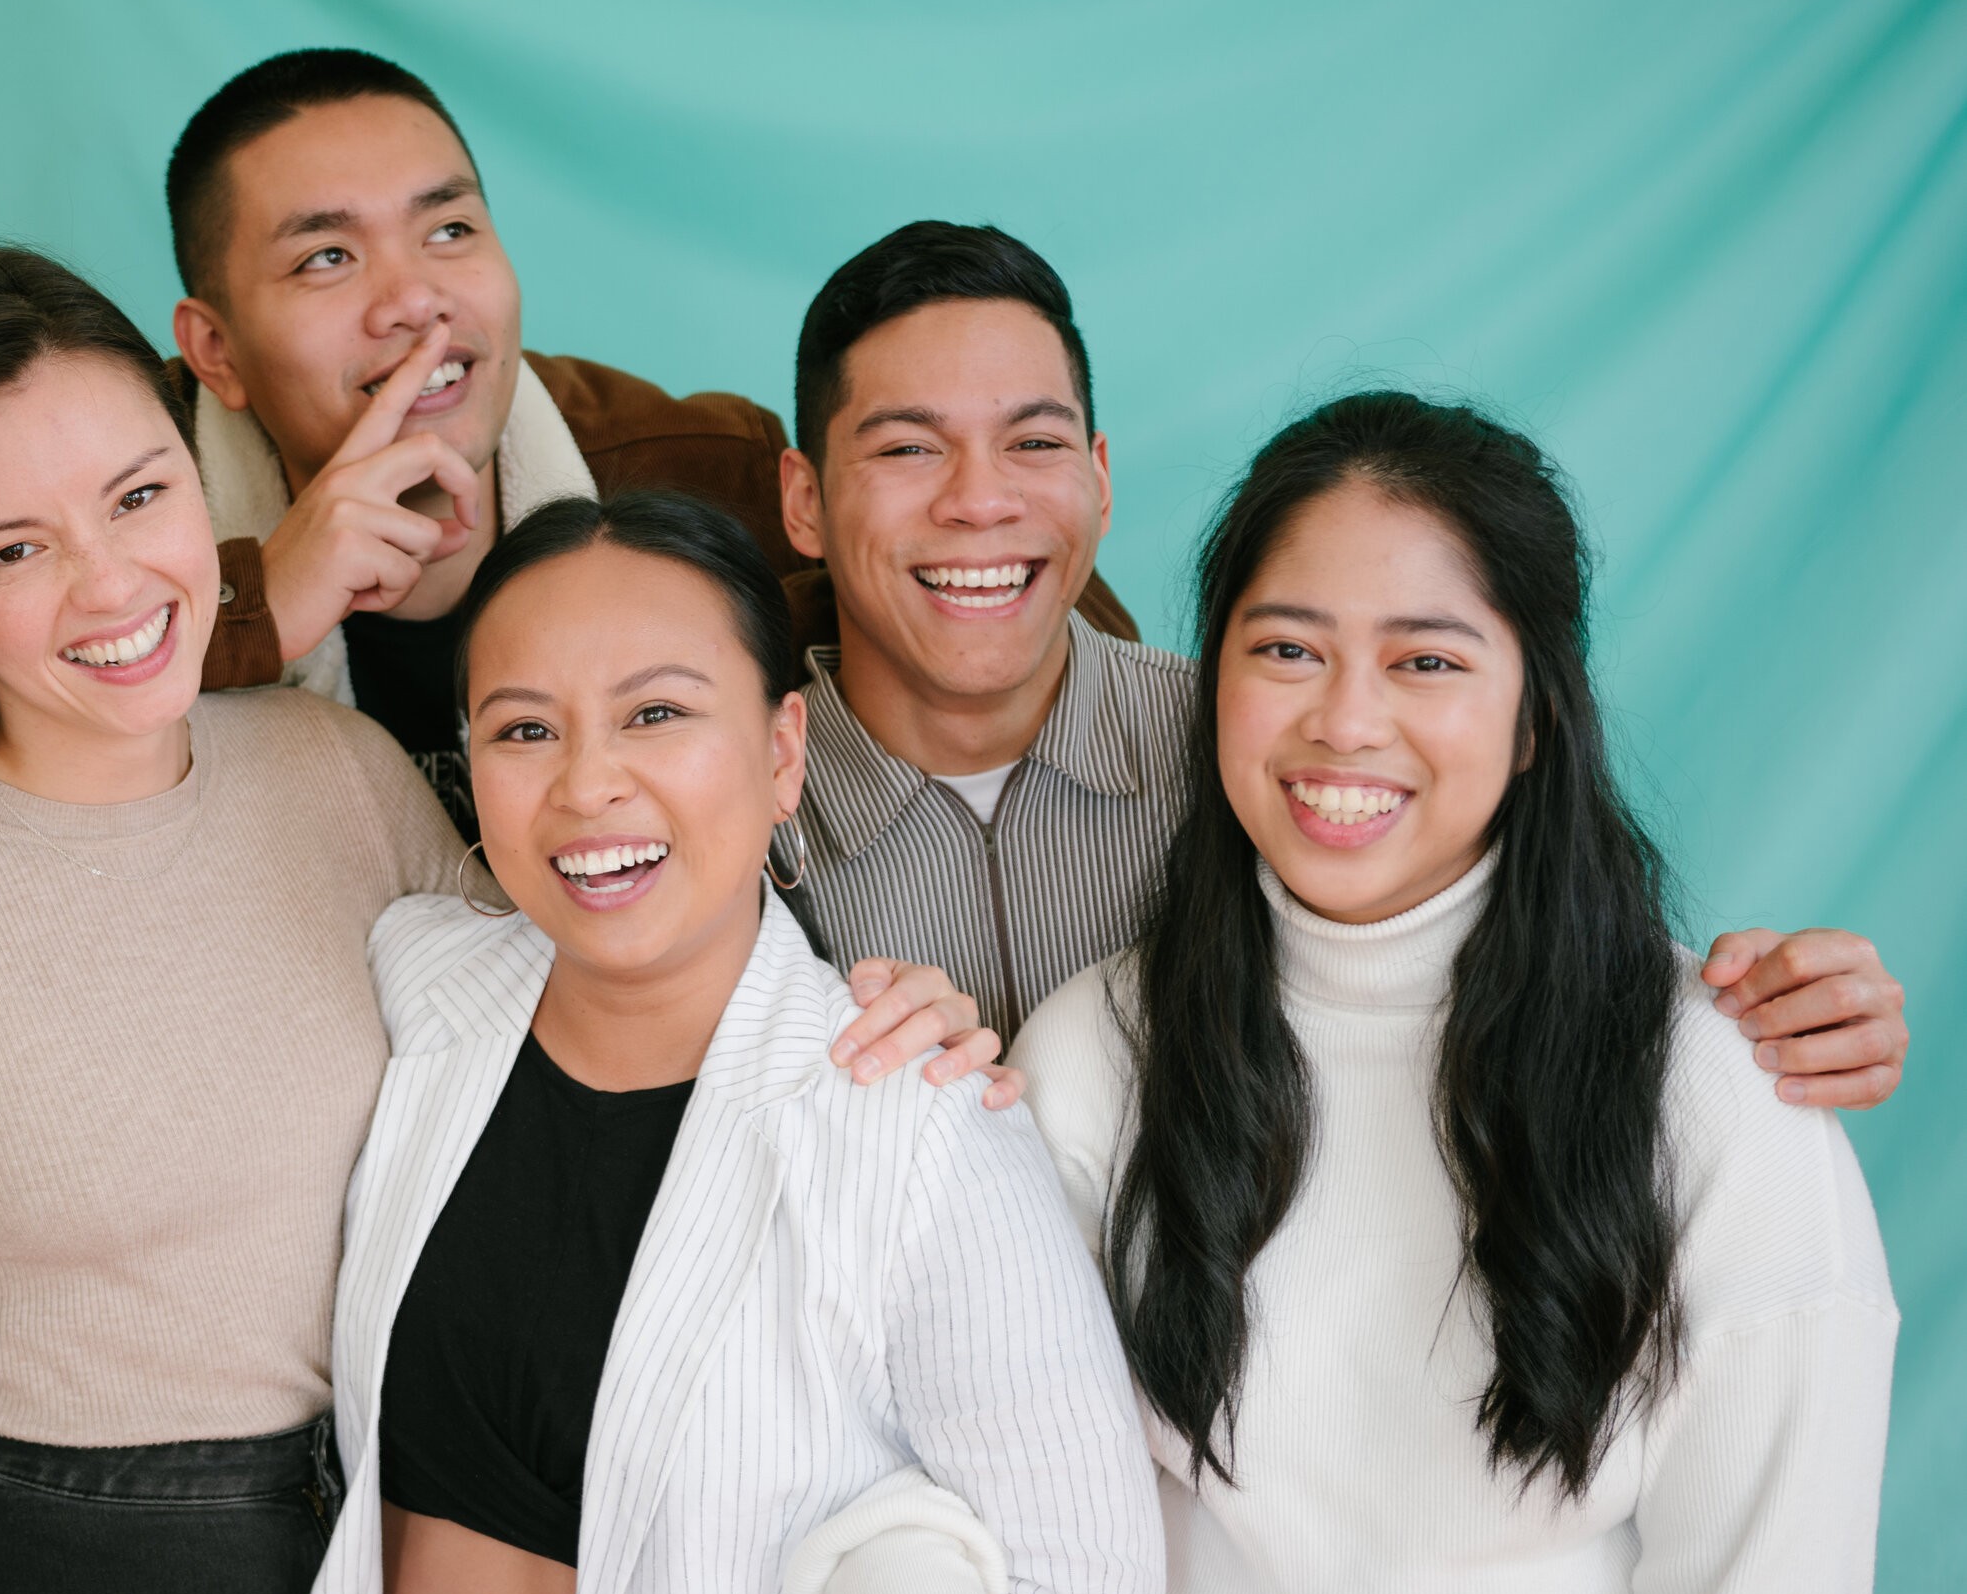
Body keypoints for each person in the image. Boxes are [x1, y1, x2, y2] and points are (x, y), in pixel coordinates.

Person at [0, 241, 993, 1594]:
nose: (111, 581)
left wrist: (857, 1023)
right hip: (93, 1547)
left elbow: (586, 1030)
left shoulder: (328, 768)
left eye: (140, 495)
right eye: (12, 548)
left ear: (202, 478)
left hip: (419, 1502)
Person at [0, 49, 1144, 846]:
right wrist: (251, 600)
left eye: (451, 228)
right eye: (326, 260)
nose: (415, 297)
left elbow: (1029, 617)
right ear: (215, 350)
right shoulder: (120, 474)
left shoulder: (686, 463)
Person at [1010, 391, 1897, 1594]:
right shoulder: (1087, 1060)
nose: (1345, 720)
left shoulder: (1717, 1087)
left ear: (1535, 718)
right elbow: (1043, 1536)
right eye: (1285, 650)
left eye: (1424, 660)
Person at [772, 220, 1912, 1086]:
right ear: (804, 501)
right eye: (909, 448)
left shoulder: (1276, 750)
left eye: (1033, 442)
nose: (981, 502)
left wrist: (1775, 1013)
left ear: (1102, 479)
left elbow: (1529, 946)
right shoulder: (722, 816)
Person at [319, 491, 1163, 1594]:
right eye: (524, 729)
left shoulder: (920, 1128)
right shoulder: (414, 980)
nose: (586, 784)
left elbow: (1088, 1578)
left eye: (656, 713)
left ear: (781, 750)